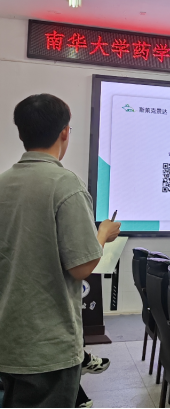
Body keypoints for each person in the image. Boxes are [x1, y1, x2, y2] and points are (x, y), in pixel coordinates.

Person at [0, 94, 121, 408]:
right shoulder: (66, 185)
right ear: (65, 132)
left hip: (7, 338)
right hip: (48, 347)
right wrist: (103, 234)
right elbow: (81, 267)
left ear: (21, 132)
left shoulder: (4, 183)